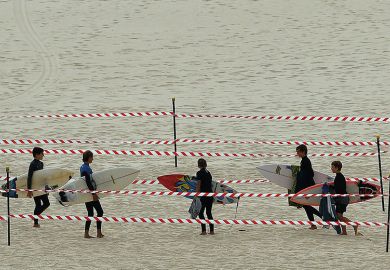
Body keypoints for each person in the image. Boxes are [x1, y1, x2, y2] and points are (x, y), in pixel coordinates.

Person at [329, 161, 361, 236]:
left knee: (339, 216)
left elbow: (340, 189)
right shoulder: (338, 176)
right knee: (339, 215)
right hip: (341, 198)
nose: (331, 168)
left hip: (342, 199)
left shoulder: (339, 177)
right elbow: (339, 187)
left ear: (337, 168)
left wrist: (332, 189)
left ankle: (354, 225)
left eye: (332, 167)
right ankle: (344, 232)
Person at [295, 144, 322, 229]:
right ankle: (314, 224)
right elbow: (308, 174)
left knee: (306, 205)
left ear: (303, 152)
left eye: (298, 152)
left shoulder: (305, 161)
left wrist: (299, 190)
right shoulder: (304, 160)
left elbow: (309, 174)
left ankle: (321, 218)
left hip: (307, 187)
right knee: (306, 206)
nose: (297, 153)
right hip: (307, 186)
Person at [81, 150, 104, 238]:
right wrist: (93, 194)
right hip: (90, 193)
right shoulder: (86, 168)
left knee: (90, 213)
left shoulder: (83, 167)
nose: (93, 159)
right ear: (89, 157)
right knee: (100, 212)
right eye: (92, 157)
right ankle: (98, 233)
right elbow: (88, 182)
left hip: (86, 193)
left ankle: (86, 233)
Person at [27, 147, 50, 228]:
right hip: (35, 187)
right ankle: (35, 222)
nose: (43, 155)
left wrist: (46, 189)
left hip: (41, 187)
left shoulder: (41, 164)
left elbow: (42, 177)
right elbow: (29, 177)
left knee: (47, 203)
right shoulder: (32, 164)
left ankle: (35, 217)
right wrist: (29, 190)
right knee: (38, 204)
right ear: (37, 155)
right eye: (42, 153)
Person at [195, 158, 214, 235]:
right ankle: (212, 231)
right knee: (209, 213)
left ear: (198, 165)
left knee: (200, 213)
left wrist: (196, 194)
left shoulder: (199, 173)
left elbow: (199, 184)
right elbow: (210, 184)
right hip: (210, 195)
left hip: (203, 195)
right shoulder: (208, 173)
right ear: (205, 164)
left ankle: (203, 231)